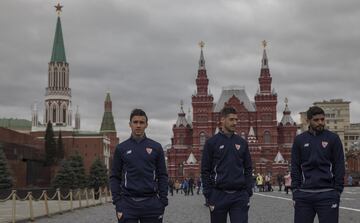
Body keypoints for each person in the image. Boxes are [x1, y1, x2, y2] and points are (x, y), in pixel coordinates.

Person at [110, 109, 168, 223]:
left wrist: (162, 201)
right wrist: (118, 202)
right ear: (130, 124)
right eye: (135, 122)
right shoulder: (121, 148)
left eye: (141, 122)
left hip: (151, 204)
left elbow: (162, 175)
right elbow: (114, 177)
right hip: (128, 204)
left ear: (146, 125)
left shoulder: (156, 147)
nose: (138, 125)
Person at [291, 106, 345, 223]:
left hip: (328, 194)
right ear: (308, 121)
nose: (320, 122)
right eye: (316, 120)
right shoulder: (299, 140)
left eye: (322, 119)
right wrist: (295, 189)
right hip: (304, 195)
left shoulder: (333, 138)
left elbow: (339, 165)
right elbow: (295, 165)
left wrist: (337, 190)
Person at [201, 106, 253, 223]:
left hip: (239, 195)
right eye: (231, 119)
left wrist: (248, 191)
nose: (235, 122)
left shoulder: (242, 143)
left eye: (236, 120)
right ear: (222, 120)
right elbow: (205, 170)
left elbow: (248, 168)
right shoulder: (211, 143)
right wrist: (209, 194)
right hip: (218, 195)